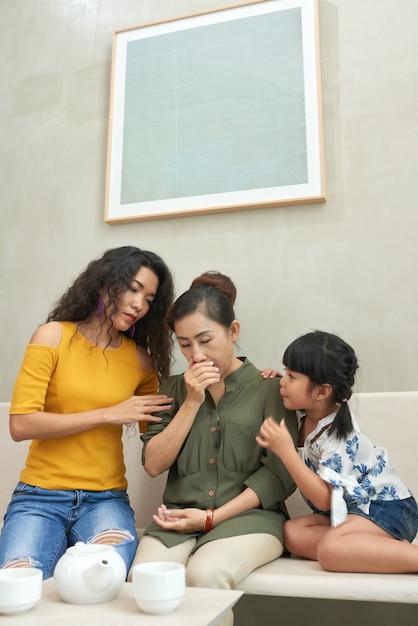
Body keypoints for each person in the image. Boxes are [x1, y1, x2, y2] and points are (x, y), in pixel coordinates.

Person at [130, 275, 297, 626]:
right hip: (177, 518)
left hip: (248, 520)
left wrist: (211, 518)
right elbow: (154, 464)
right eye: (186, 345)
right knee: (145, 578)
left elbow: (278, 476)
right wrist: (191, 401)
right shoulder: (174, 389)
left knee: (206, 575)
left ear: (233, 331)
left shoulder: (270, 389)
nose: (197, 355)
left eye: (206, 340)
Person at [0, 246, 174, 579]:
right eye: (133, 289)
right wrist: (107, 414)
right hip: (39, 498)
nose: (140, 305)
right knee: (16, 582)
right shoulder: (52, 336)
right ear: (104, 284)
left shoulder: (140, 361)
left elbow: (156, 444)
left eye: (150, 299)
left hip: (105, 501)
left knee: (101, 578)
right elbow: (20, 424)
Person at [256, 330, 418, 573]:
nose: (283, 381)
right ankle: (369, 548)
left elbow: (323, 498)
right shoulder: (307, 412)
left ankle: (405, 555)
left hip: (386, 507)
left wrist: (287, 452)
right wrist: (279, 378)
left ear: (322, 391)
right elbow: (326, 505)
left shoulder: (339, 435)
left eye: (291, 376)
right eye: (285, 371)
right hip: (350, 511)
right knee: (291, 533)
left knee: (329, 551)